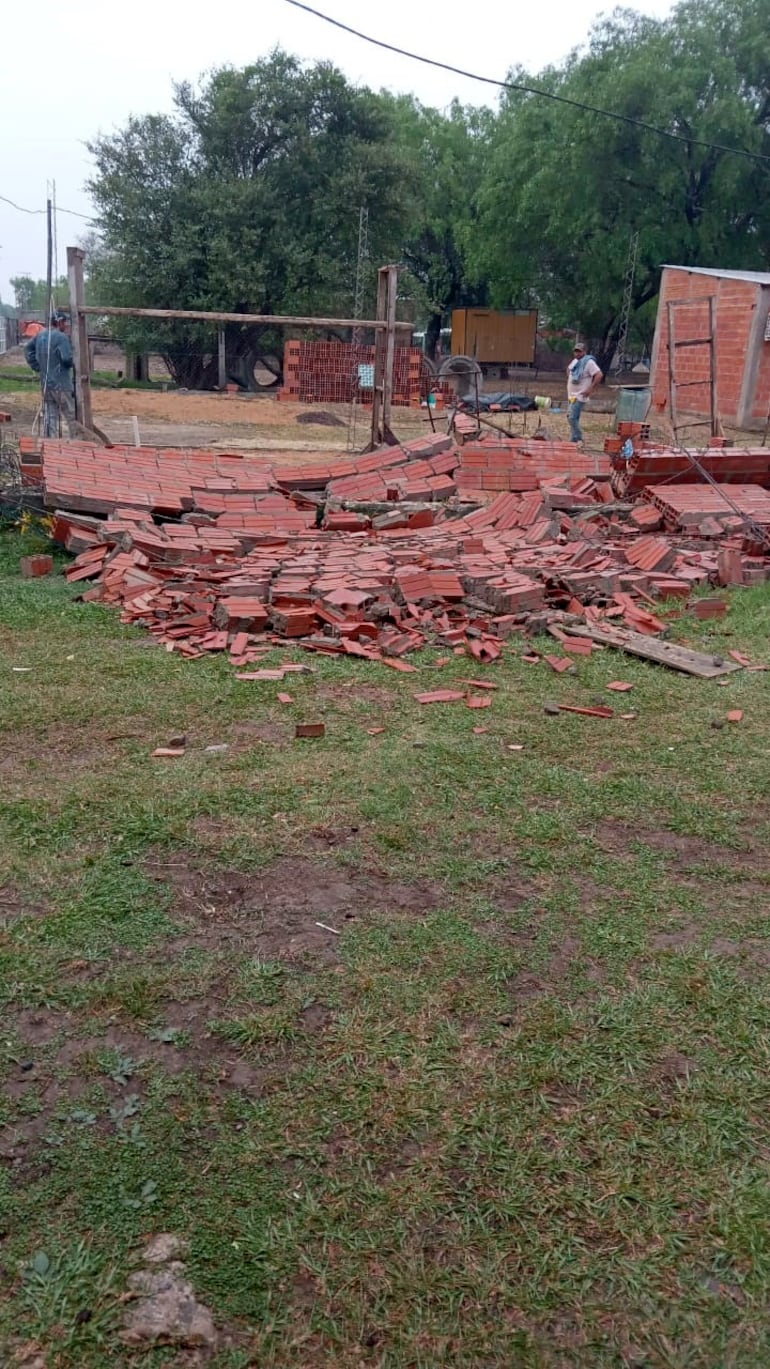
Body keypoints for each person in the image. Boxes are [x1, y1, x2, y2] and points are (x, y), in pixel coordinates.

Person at [25, 311, 75, 438]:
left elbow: (27, 349)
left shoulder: (40, 335)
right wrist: (72, 364)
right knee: (71, 415)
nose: (66, 325)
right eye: (64, 322)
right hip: (62, 384)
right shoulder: (62, 337)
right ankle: (76, 441)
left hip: (46, 384)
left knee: (50, 416)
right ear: (59, 322)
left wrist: (37, 366)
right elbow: (67, 359)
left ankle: (50, 442)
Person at [566, 341, 602, 445]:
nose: (577, 354)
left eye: (579, 351)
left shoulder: (588, 362)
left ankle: (579, 438)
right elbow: (568, 369)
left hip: (580, 395)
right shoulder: (575, 361)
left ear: (584, 352)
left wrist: (590, 389)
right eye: (575, 351)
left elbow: (599, 375)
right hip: (571, 395)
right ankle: (574, 439)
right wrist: (570, 376)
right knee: (572, 417)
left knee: (572, 417)